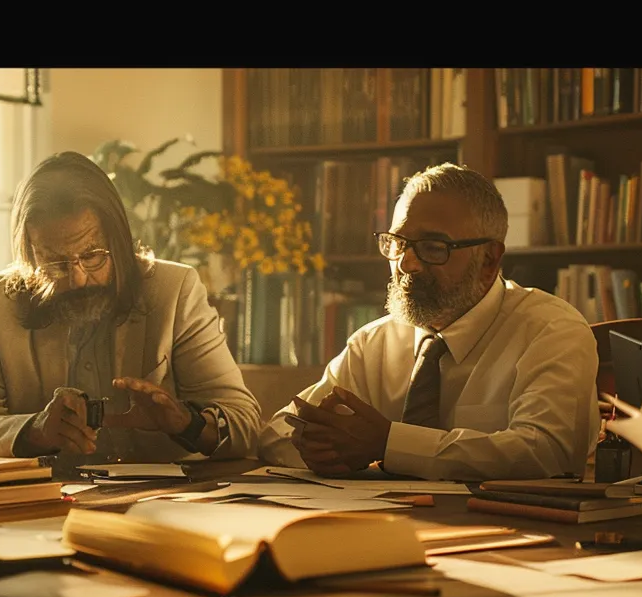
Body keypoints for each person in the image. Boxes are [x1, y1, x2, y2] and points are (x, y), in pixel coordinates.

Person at [256, 163, 598, 481]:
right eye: (397, 243)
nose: (407, 264)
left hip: (511, 534)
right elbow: (277, 435)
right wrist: (318, 449)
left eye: (433, 247)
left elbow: (549, 454)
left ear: (489, 260)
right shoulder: (374, 344)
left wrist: (388, 444)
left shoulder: (550, 330)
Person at [0, 151, 261, 469]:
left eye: (92, 255)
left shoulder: (175, 290)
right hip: (38, 506)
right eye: (54, 261)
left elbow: (245, 425)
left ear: (119, 240)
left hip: (160, 506)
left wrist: (184, 422)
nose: (78, 279)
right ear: (28, 254)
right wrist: (35, 431)